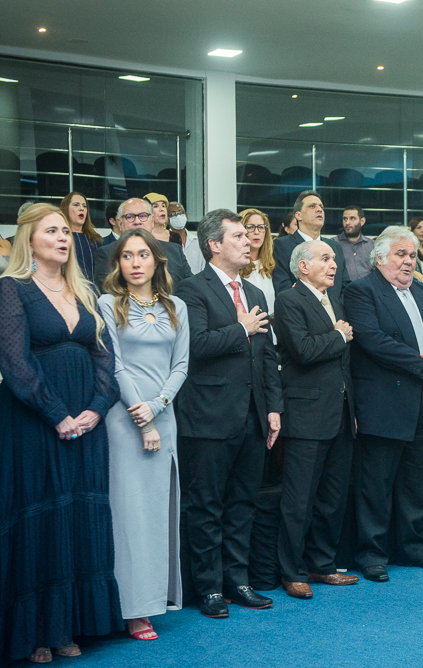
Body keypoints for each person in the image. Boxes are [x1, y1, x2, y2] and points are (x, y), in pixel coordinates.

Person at [0, 203, 123, 666]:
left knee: (78, 516)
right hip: (33, 423)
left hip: (86, 423)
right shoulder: (11, 289)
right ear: (28, 239)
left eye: (65, 231)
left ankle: (70, 625)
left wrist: (96, 409)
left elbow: (105, 358)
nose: (63, 238)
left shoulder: (84, 289)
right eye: (52, 231)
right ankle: (36, 631)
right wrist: (58, 415)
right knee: (39, 520)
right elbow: (15, 364)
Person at [174, 209, 282, 618]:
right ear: (214, 244)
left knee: (243, 504)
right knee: (206, 506)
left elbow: (267, 356)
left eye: (247, 235)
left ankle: (238, 581)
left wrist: (274, 407)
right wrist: (241, 329)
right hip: (208, 416)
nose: (248, 241)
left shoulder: (254, 293)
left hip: (253, 416)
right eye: (237, 236)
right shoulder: (191, 289)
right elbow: (196, 345)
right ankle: (209, 588)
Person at [343, 226, 423, 583]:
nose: (408, 261)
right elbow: (373, 341)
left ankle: (415, 548)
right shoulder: (361, 291)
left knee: (415, 482)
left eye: (412, 255)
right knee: (375, 485)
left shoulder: (422, 290)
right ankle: (372, 555)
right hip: (384, 403)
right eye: (400, 254)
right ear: (380, 257)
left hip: (422, 400)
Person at [98, 228, 189, 641]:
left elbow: (181, 366)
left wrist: (158, 406)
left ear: (156, 261)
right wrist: (143, 415)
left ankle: (153, 601)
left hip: (164, 417)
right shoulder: (107, 303)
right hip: (124, 419)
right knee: (128, 514)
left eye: (143, 255)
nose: (135, 263)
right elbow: (114, 365)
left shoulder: (176, 306)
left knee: (157, 514)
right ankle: (129, 608)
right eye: (127, 256)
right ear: (118, 264)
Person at [272, 240, 358, 599]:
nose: (334, 264)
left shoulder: (333, 299)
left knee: (332, 498)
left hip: (340, 413)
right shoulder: (288, 300)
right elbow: (303, 351)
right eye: (325, 258)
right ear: (303, 266)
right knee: (299, 500)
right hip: (306, 415)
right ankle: (291, 571)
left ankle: (322, 565)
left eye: (334, 259)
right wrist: (338, 335)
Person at [94, 198, 192, 291]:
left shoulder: (174, 250)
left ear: (152, 221)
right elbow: (107, 290)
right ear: (120, 223)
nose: (137, 222)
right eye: (130, 217)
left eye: (143, 216)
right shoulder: (106, 253)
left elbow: (189, 288)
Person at [272, 191, 348, 299]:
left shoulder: (334, 246)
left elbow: (345, 288)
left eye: (321, 207)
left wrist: (335, 308)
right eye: (312, 206)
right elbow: (283, 288)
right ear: (298, 215)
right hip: (298, 308)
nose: (319, 209)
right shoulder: (281, 246)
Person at [60, 191, 102, 282]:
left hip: (95, 288)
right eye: (76, 205)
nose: (81, 209)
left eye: (84, 206)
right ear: (66, 209)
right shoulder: (61, 239)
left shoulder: (96, 239)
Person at [240, 208, 276, 313]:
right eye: (250, 227)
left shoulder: (272, 264)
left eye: (261, 227)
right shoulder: (235, 266)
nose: (256, 232)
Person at [335, 205, 375, 282]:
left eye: (352, 218)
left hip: (367, 288)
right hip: (343, 288)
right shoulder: (334, 244)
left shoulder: (372, 245)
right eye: (345, 219)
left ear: (362, 221)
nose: (347, 223)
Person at [169, 201, 204, 274]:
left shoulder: (198, 241)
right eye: (173, 214)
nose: (178, 216)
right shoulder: (166, 241)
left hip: (196, 280)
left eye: (180, 212)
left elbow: (203, 267)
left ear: (186, 215)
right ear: (167, 221)